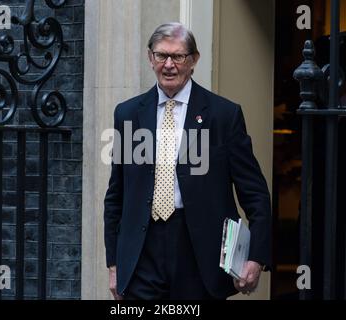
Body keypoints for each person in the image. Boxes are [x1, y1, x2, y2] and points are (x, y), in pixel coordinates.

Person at [104, 22, 271, 300]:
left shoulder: (223, 115)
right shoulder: (127, 114)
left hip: (199, 255)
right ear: (150, 58)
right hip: (142, 255)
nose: (169, 65)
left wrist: (256, 257)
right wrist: (113, 264)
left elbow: (255, 194)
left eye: (178, 56)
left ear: (194, 60)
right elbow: (116, 195)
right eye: (161, 56)